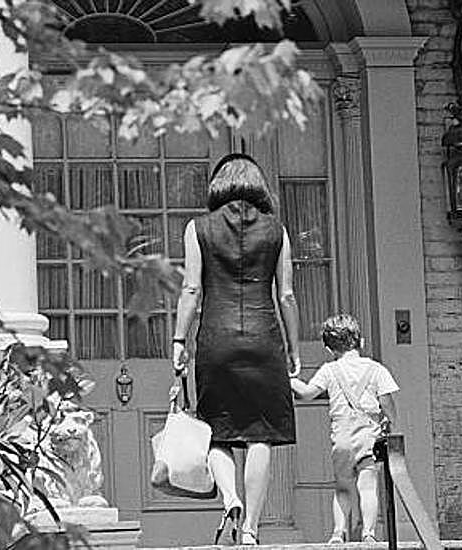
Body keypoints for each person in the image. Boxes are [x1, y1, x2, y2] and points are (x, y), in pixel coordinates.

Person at [171, 153, 302, 546]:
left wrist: (179, 340)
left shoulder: (198, 229)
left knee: (216, 432)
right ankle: (251, 530)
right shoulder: (277, 231)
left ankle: (230, 499)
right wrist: (295, 347)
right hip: (264, 341)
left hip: (216, 340)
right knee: (260, 436)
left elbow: (191, 289)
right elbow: (288, 295)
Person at [289, 314, 398, 544]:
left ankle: (338, 533)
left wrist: (286, 377)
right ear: (361, 341)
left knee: (342, 488)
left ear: (329, 349)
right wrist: (390, 419)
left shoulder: (330, 370)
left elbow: (308, 393)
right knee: (368, 486)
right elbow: (386, 401)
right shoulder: (376, 369)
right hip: (369, 434)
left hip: (342, 437)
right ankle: (368, 533)